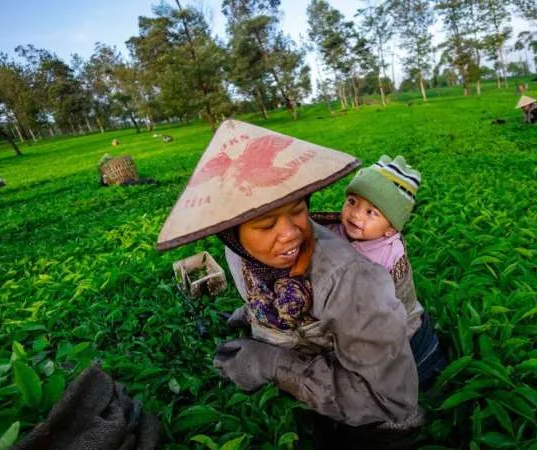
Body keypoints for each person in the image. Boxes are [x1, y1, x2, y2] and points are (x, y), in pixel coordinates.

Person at [156, 120, 425, 449]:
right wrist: (257, 311)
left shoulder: (351, 280)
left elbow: (389, 401)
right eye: (267, 224)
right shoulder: (239, 252)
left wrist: (274, 365)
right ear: (230, 233)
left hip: (395, 360)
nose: (291, 234)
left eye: (298, 210)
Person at [312, 155, 446, 391]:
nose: (356, 214)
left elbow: (382, 302)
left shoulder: (389, 254)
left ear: (391, 228)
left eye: (371, 212)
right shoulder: (337, 230)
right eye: (352, 201)